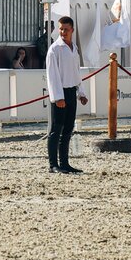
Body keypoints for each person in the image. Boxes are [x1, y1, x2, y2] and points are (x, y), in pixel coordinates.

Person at [45, 15, 89, 174]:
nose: (63, 32)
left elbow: (76, 72)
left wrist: (81, 92)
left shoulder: (74, 48)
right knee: (56, 129)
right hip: (60, 92)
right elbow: (52, 75)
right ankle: (53, 164)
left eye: (66, 29)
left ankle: (64, 163)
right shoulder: (54, 49)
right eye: (61, 29)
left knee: (68, 128)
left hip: (71, 91)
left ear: (72, 30)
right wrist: (58, 97)